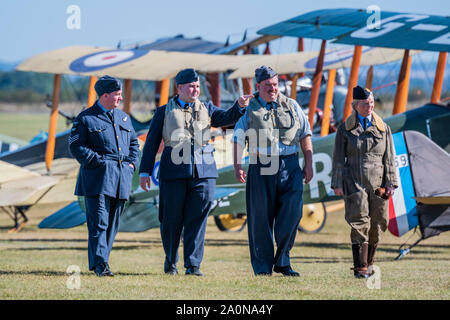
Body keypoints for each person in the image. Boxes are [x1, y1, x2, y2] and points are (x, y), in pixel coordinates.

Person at [139, 68, 249, 276]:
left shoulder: (207, 107)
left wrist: (239, 106)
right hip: (173, 173)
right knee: (171, 219)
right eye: (191, 86)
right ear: (179, 88)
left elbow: (226, 117)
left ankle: (193, 265)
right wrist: (144, 171)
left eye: (197, 86)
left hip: (204, 172)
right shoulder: (163, 111)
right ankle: (171, 260)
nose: (195, 89)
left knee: (197, 218)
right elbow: (152, 143)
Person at [232, 66, 313, 276]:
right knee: (260, 219)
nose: (272, 89)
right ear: (258, 86)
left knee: (292, 214)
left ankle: (283, 261)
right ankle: (262, 267)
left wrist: (309, 162)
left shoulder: (292, 105)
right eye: (267, 85)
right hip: (261, 166)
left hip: (290, 165)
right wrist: (237, 165)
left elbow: (305, 134)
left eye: (275, 84)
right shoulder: (249, 108)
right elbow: (238, 137)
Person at [69, 75, 140, 277]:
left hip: (121, 179)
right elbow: (76, 146)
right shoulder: (85, 118)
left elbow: (134, 144)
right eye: (117, 95)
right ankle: (100, 265)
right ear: (105, 95)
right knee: (99, 222)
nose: (120, 98)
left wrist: (131, 164)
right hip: (97, 179)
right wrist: (97, 163)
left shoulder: (124, 118)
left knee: (112, 224)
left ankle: (103, 261)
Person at [331, 86, 398, 278]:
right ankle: (360, 267)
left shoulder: (383, 128)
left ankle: (369, 263)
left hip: (379, 184)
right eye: (365, 103)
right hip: (354, 182)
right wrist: (337, 183)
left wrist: (391, 183)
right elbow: (337, 158)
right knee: (359, 221)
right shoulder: (345, 129)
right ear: (355, 105)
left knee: (379, 222)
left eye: (371, 102)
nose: (369, 106)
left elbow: (389, 157)